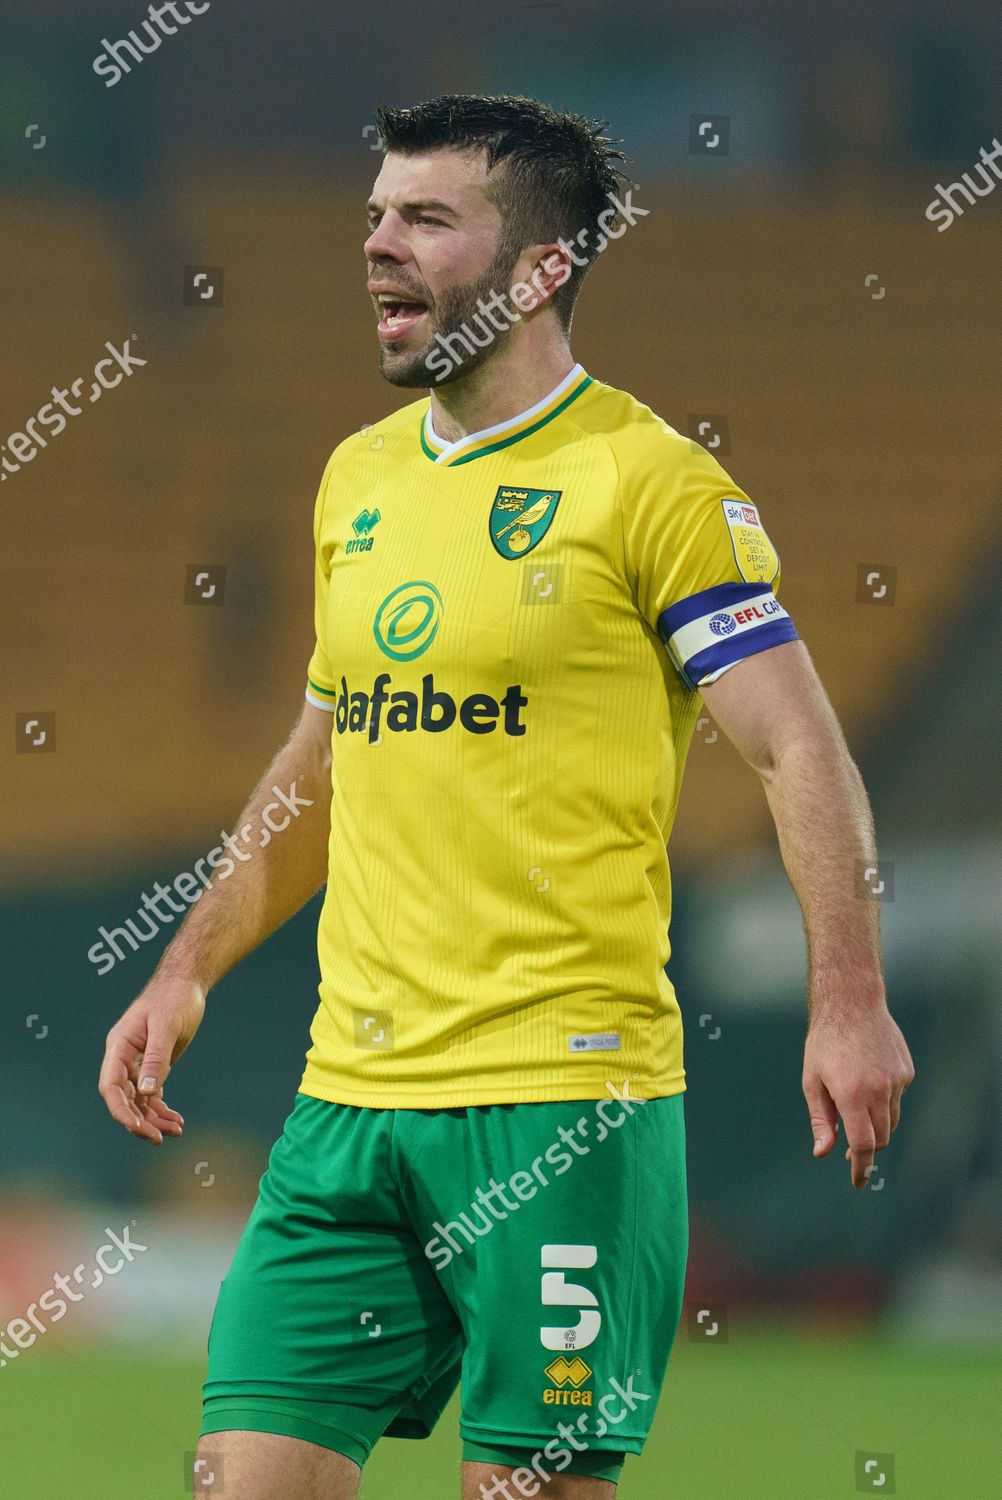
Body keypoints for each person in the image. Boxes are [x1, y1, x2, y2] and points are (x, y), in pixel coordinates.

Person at [99, 94, 914, 1500]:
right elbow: (324, 760)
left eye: (424, 220)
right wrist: (188, 967)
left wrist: (847, 994)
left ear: (540, 268)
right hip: (346, 1104)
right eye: (371, 215)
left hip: (558, 1102)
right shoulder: (356, 480)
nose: (375, 247)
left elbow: (796, 749)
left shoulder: (647, 482)